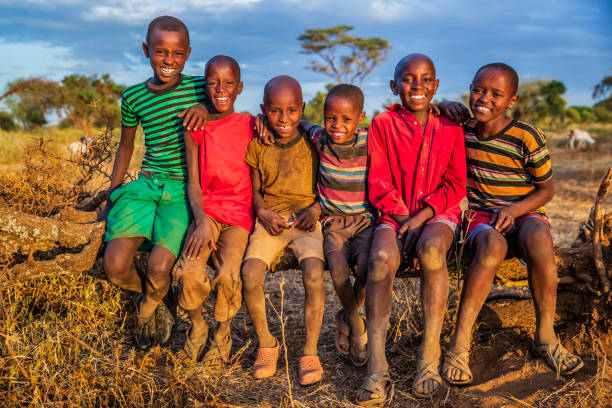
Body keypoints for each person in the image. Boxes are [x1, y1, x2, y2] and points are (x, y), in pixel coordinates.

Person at [437, 63, 583, 386]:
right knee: (492, 246)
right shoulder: (460, 131)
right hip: (482, 216)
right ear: (469, 88)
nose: (483, 98)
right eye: (478, 90)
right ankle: (459, 343)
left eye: (495, 94)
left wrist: (516, 211)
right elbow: (425, 118)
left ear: (512, 100)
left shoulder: (526, 136)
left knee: (540, 239)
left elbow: (547, 190)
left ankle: (545, 336)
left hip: (523, 212)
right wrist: (439, 106)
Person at [356, 54, 467, 405]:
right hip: (394, 212)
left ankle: (429, 358)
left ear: (435, 86)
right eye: (408, 78)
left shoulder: (451, 126)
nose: (417, 85)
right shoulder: (383, 124)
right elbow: (378, 181)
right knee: (380, 260)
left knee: (432, 249)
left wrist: (421, 218)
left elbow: (456, 182)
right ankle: (377, 366)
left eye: (425, 79)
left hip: (438, 212)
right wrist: (403, 217)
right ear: (394, 85)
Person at [102, 16, 209, 349]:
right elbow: (126, 146)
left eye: (177, 54)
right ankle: (156, 299)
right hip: (146, 186)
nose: (169, 60)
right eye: (161, 51)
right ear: (147, 50)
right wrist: (112, 195)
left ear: (188, 54)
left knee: (159, 265)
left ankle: (154, 300)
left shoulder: (200, 88)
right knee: (115, 265)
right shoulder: (134, 97)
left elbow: (226, 105)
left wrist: (206, 109)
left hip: (182, 190)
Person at [241, 75, 326, 386]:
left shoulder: (314, 143)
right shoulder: (258, 144)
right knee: (249, 275)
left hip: (306, 220)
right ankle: (267, 343)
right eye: (275, 111)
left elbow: (327, 187)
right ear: (264, 109)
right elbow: (256, 192)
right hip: (270, 220)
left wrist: (315, 210)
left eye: (292, 110)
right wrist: (262, 212)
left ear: (301, 109)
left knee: (314, 274)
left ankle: (310, 351)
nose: (284, 118)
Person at [174, 55, 254, 365]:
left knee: (228, 274)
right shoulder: (195, 125)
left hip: (237, 219)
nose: (221, 89)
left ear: (240, 87)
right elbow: (192, 182)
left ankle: (222, 333)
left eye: (229, 83)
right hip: (205, 214)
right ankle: (197, 327)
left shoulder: (249, 124)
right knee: (188, 270)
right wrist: (200, 220)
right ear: (205, 87)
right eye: (213, 83)